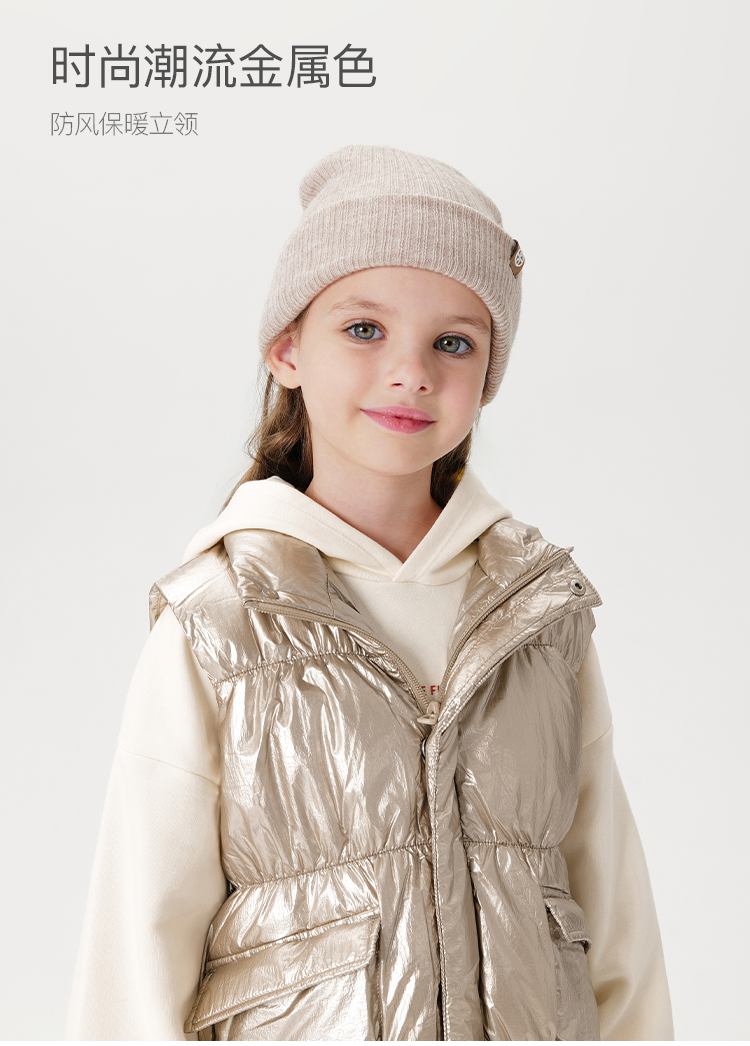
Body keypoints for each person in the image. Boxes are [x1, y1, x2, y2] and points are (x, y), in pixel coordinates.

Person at [68, 145, 673, 1041]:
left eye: (453, 343)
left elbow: (618, 929)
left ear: (486, 376)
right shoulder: (220, 624)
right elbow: (136, 947)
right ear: (287, 349)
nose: (411, 372)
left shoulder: (541, 620)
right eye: (363, 329)